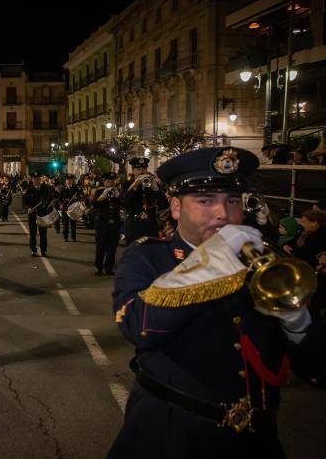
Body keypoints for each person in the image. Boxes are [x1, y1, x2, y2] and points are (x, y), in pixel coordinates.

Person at [109, 147, 326, 458]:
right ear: (174, 207)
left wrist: (297, 322)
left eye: (233, 201)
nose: (224, 214)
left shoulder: (265, 261)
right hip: (171, 434)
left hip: (255, 440)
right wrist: (216, 259)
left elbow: (318, 369)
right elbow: (138, 326)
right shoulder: (148, 256)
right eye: (206, 201)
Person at [121, 157, 169, 245]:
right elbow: (124, 203)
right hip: (133, 227)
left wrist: (156, 189)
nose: (142, 171)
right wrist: (135, 185)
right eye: (138, 169)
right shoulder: (127, 184)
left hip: (150, 228)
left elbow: (164, 205)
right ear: (133, 170)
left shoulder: (152, 184)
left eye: (144, 169)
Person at [92, 172, 121, 275]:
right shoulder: (99, 192)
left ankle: (109, 267)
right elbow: (95, 204)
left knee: (112, 248)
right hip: (102, 224)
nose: (111, 183)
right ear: (104, 181)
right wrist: (104, 194)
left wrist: (118, 195)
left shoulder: (118, 192)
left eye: (112, 181)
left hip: (115, 223)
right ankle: (99, 267)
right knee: (101, 247)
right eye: (108, 181)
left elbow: (122, 204)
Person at [24, 171, 51, 257]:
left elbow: (50, 199)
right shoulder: (29, 188)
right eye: (34, 179)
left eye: (37, 178)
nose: (36, 180)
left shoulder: (45, 188)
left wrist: (48, 205)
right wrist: (28, 208)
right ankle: (33, 249)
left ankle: (44, 250)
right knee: (32, 233)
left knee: (43, 234)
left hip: (43, 214)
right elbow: (25, 201)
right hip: (32, 214)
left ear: (40, 179)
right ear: (32, 179)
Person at [58, 174, 81, 242]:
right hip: (65, 208)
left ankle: (73, 237)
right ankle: (66, 237)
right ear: (66, 181)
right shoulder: (63, 188)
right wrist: (61, 204)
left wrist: (77, 198)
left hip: (73, 208)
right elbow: (59, 199)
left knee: (73, 223)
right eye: (68, 180)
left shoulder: (75, 188)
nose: (69, 181)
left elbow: (79, 197)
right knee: (65, 224)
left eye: (71, 180)